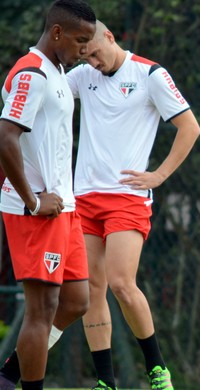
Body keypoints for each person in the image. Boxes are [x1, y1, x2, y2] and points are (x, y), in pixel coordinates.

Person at [0, 20, 200, 390]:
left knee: (122, 282)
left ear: (109, 37)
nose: (90, 62)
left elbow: (191, 127)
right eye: (85, 56)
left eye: (94, 53)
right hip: (83, 199)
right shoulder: (80, 75)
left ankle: (157, 369)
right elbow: (45, 95)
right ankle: (106, 380)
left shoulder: (150, 74)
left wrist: (159, 175)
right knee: (91, 290)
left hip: (127, 197)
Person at [0, 1, 96, 389]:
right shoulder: (32, 73)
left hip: (63, 209)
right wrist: (33, 202)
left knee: (76, 301)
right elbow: (6, 136)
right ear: (57, 33)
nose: (85, 50)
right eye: (80, 41)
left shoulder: (56, 71)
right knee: (41, 311)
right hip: (36, 211)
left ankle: (7, 377)